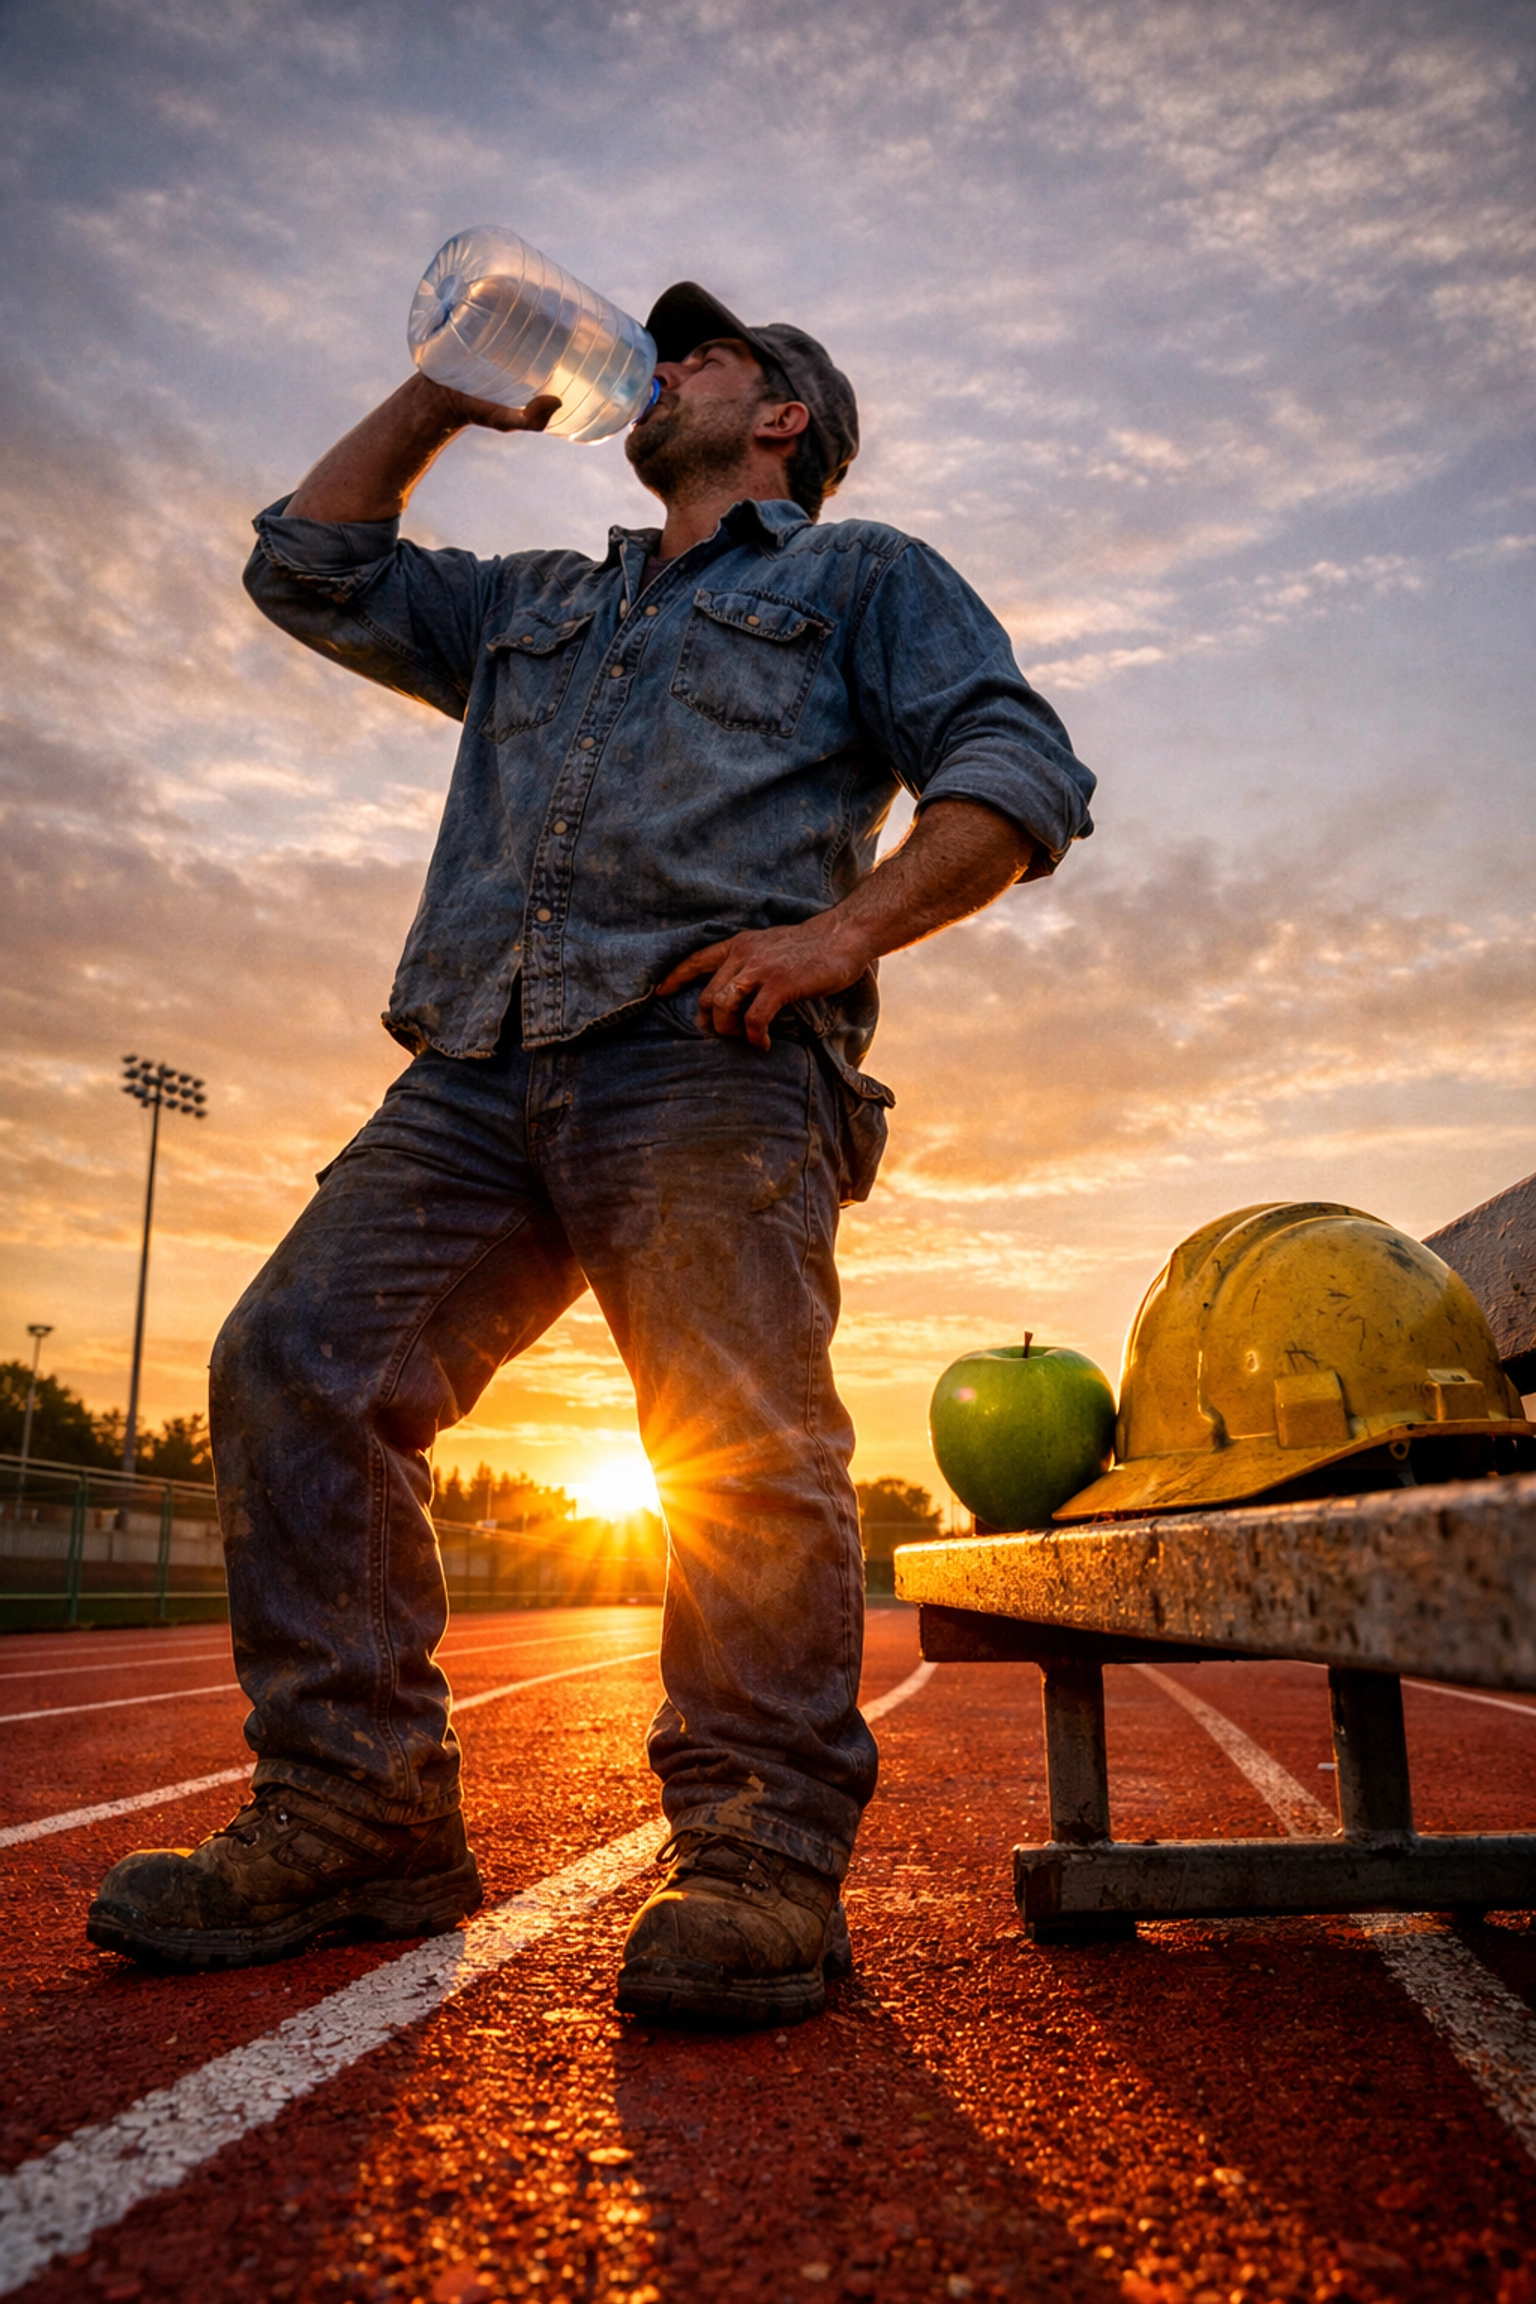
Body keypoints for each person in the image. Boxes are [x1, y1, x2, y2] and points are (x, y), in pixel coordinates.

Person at [87, 280, 1096, 2026]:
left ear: (783, 415)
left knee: (734, 1441)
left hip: (711, 1053)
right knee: (293, 1360)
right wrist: (439, 399)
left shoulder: (860, 578)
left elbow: (1019, 768)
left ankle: (763, 1854)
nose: (660, 360)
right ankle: (359, 1813)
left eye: (704, 351)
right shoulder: (538, 603)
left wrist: (840, 938)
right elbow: (306, 568)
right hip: (479, 1058)